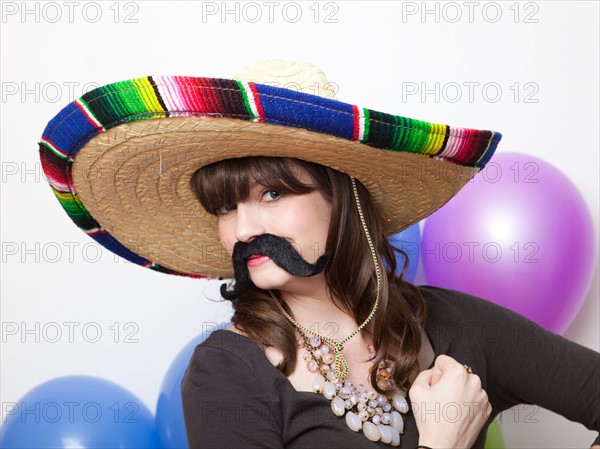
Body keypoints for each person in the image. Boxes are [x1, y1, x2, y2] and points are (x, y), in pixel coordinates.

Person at [38, 60, 599, 449]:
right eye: (225, 208)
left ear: (343, 197)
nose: (242, 229)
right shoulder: (227, 373)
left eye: (273, 194)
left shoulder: (455, 323)